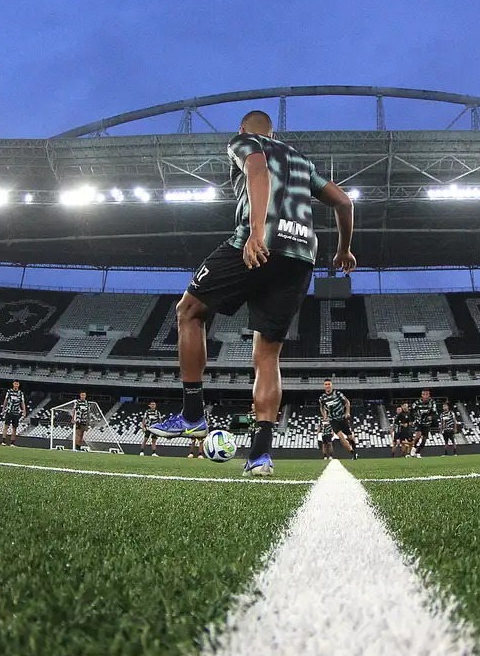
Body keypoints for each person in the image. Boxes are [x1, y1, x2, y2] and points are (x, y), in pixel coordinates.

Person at [148, 110, 356, 478]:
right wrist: (343, 250)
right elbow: (344, 202)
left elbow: (257, 172)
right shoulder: (302, 161)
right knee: (267, 355)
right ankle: (260, 456)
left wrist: (257, 233)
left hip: (259, 241)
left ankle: (193, 413)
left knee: (189, 310)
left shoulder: (244, 142)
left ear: (242, 128)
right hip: (301, 256)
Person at [317, 379, 359, 460]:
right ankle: (353, 453)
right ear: (324, 386)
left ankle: (354, 448)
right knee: (341, 437)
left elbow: (347, 402)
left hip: (342, 418)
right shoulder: (322, 398)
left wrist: (347, 412)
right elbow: (321, 407)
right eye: (325, 384)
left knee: (350, 437)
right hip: (333, 420)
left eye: (328, 384)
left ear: (331, 385)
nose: (327, 386)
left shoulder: (337, 393)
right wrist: (324, 415)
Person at [411, 388, 438, 457]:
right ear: (421, 395)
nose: (425, 396)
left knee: (424, 440)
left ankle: (418, 452)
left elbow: (435, 413)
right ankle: (413, 447)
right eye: (424, 394)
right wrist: (412, 419)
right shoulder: (416, 403)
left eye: (427, 394)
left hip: (427, 423)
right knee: (418, 435)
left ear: (429, 395)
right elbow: (411, 411)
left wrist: (431, 417)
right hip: (418, 422)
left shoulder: (432, 402)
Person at [0, 380, 27, 447]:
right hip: (9, 411)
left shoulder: (20, 393)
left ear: (18, 385)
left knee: (14, 428)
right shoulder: (9, 392)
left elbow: (22, 402)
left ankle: (12, 443)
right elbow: (6, 400)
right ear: (13, 384)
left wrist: (24, 411)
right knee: (6, 426)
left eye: (17, 384)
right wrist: (3, 408)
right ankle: (3, 441)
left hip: (16, 413)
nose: (16, 385)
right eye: (15, 384)